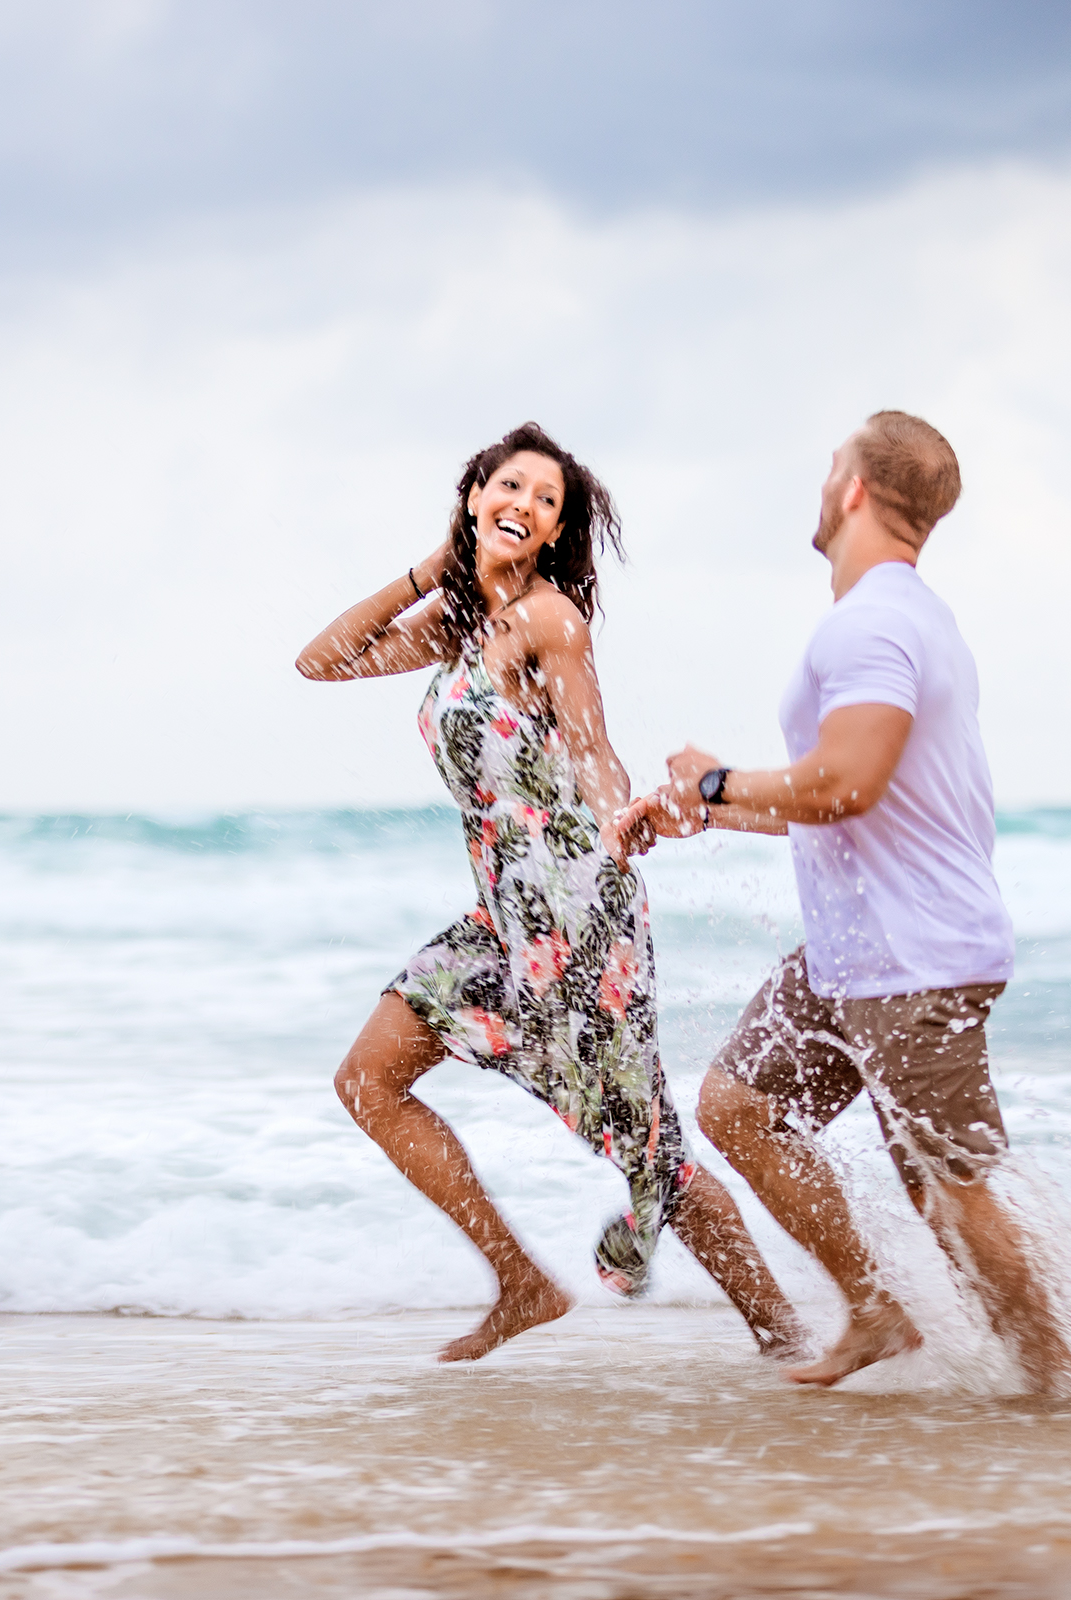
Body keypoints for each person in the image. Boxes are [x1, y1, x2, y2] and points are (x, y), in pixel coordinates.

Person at [295, 422, 804, 1364]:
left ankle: (784, 1335)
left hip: (577, 919)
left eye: (547, 502)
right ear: (475, 494)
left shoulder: (549, 622)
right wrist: (424, 572)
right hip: (503, 917)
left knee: (649, 1150)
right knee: (368, 1081)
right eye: (511, 487)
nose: (524, 506)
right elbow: (321, 660)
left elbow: (590, 747)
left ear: (554, 532)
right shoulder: (458, 623)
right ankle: (522, 1282)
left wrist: (627, 819)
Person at [618, 410, 1071, 1392]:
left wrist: (715, 782)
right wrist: (707, 811)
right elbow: (849, 802)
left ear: (856, 489)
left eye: (831, 466)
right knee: (739, 1107)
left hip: (916, 960)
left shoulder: (874, 622)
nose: (822, 483)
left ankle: (1054, 1380)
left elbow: (850, 781)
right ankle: (874, 1310)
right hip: (851, 955)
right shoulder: (900, 617)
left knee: (946, 1193)